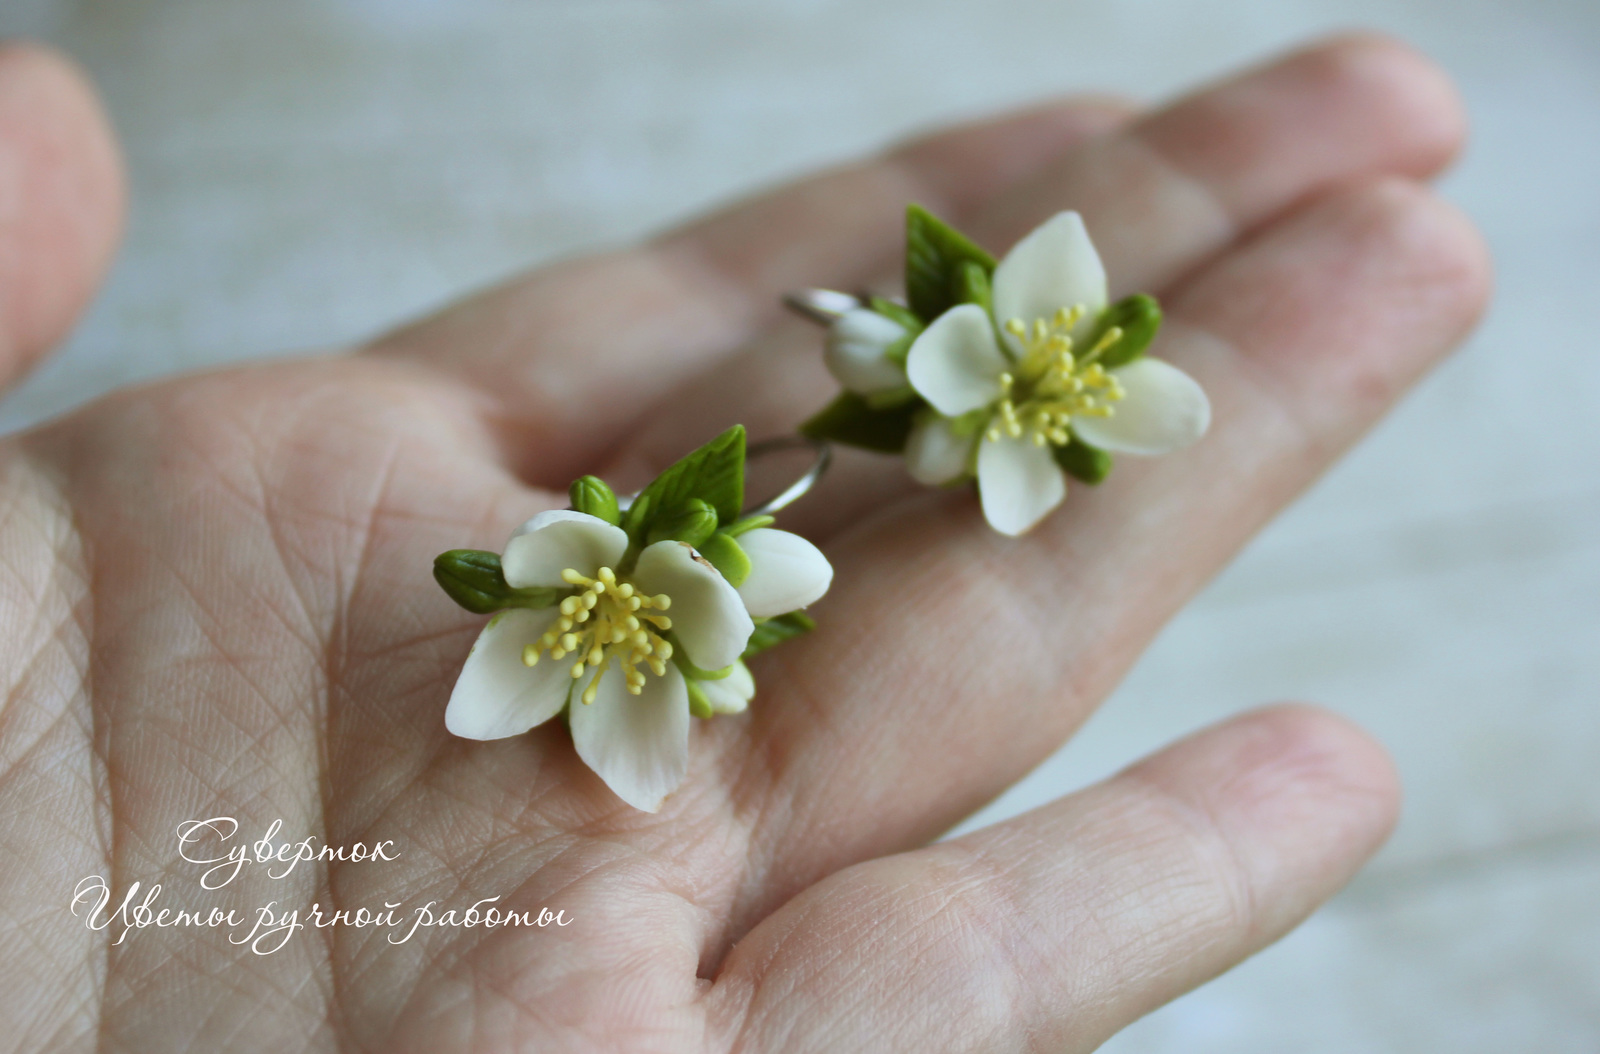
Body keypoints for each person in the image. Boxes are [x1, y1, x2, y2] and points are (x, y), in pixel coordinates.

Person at [0, 32, 1488, 1052]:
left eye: (637, 621)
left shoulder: (1013, 404)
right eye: (615, 618)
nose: (617, 630)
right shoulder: (583, 599)